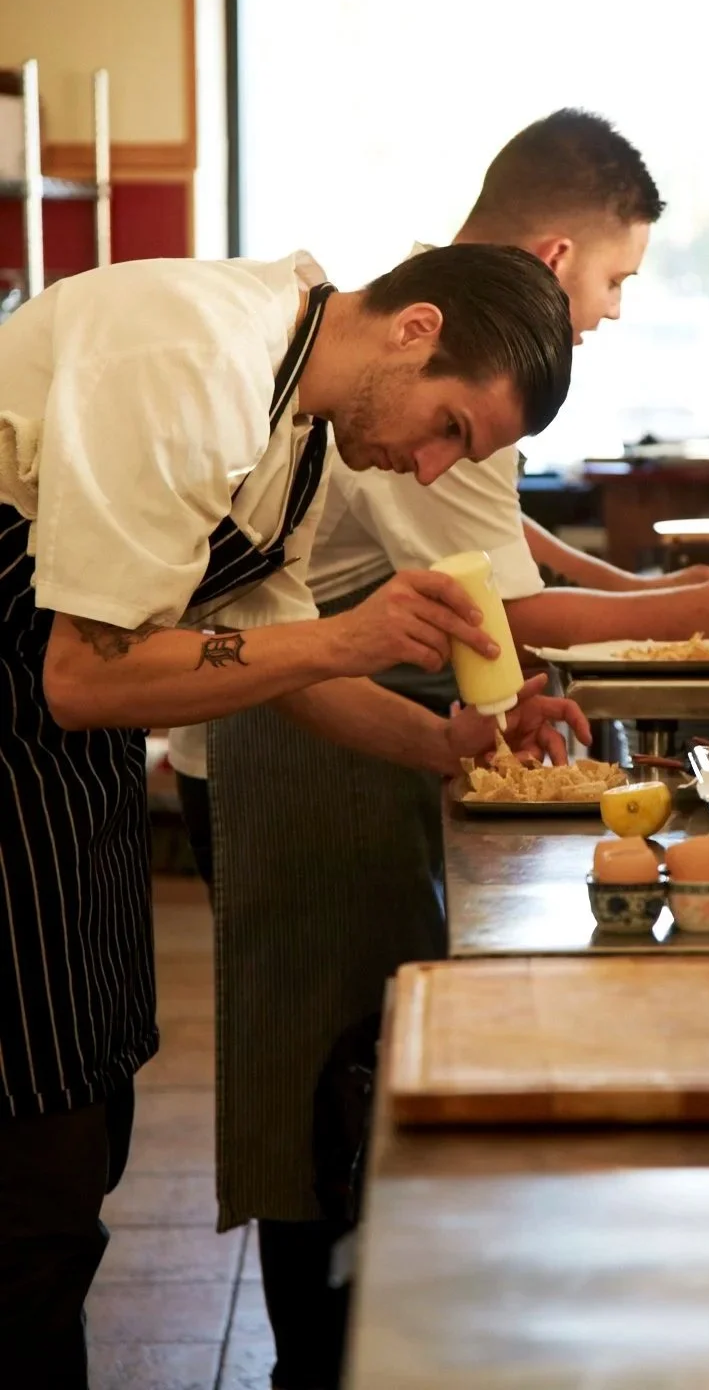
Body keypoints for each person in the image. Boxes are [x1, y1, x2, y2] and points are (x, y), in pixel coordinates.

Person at [188, 110, 709, 1390]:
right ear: (554, 246)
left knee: (370, 1048)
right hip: (291, 726)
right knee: (316, 1072)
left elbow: (494, 553)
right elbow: (510, 602)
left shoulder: (466, 338)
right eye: (617, 279)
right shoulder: (429, 359)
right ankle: (324, 1359)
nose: (617, 309)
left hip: (370, 703)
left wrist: (628, 592)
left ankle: (369, 1319)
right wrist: (700, 606)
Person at [0, 241, 585, 1389]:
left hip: (69, 765)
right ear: (415, 329)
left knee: (95, 1102)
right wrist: (347, 633)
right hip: (24, 739)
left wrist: (444, 744)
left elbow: (266, 662)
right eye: (450, 428)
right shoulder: (189, 359)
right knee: (33, 1178)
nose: (428, 470)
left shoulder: (299, 435)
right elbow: (82, 671)